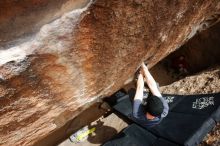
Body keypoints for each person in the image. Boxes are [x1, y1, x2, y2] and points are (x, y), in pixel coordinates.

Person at [132, 63, 169, 128]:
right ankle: (145, 79)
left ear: (146, 105)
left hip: (145, 123)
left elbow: (139, 88)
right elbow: (153, 87)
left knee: (134, 93)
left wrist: (141, 73)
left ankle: (140, 79)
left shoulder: (137, 113)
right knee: (156, 85)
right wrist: (144, 68)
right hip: (152, 123)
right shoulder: (165, 109)